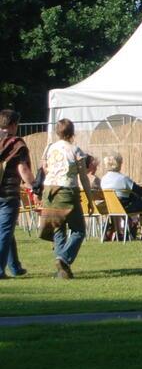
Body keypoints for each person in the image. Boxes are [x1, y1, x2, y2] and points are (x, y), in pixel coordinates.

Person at [41, 118, 95, 279]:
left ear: (57, 132)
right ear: (72, 132)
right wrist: (90, 199)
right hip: (67, 191)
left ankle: (62, 271)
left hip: (49, 191)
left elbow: (45, 168)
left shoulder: (50, 148)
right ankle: (64, 258)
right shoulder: (75, 150)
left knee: (58, 228)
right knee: (79, 230)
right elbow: (83, 177)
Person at [0, 109, 37, 279]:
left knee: (7, 230)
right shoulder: (17, 144)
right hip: (8, 194)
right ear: (14, 125)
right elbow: (23, 169)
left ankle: (15, 267)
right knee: (5, 231)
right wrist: (35, 187)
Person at [101, 152, 142, 240]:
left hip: (112, 208)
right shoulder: (123, 178)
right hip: (127, 208)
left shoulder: (103, 179)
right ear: (118, 164)